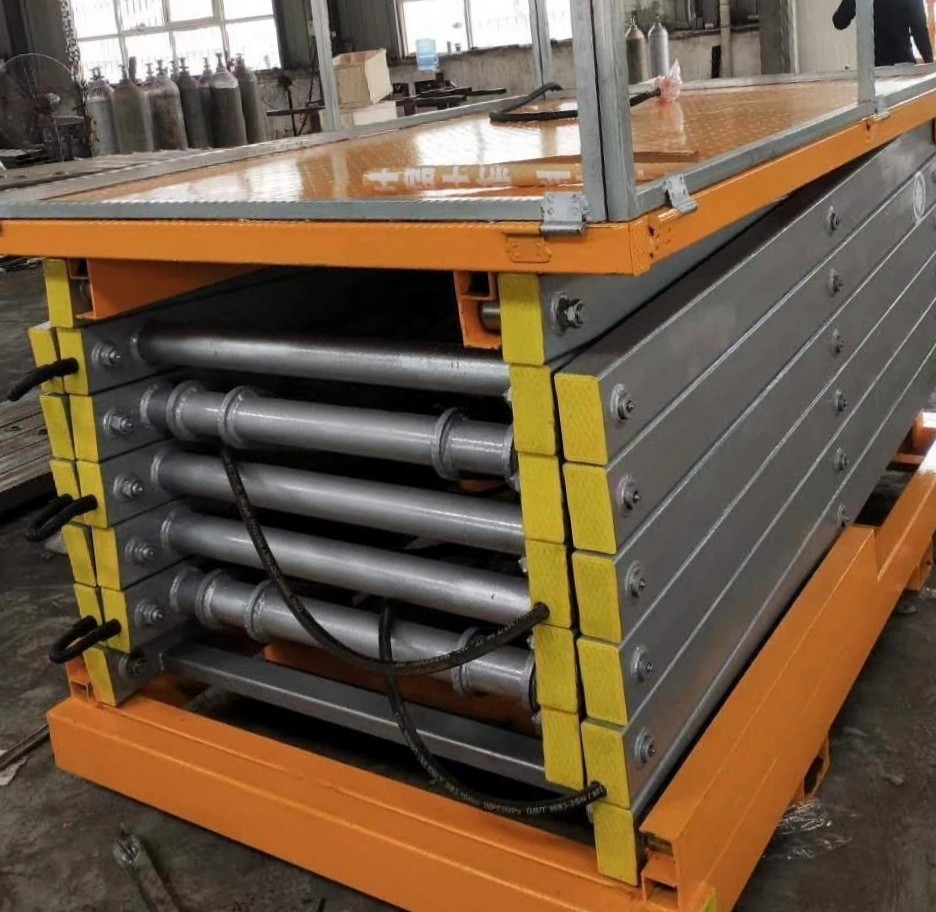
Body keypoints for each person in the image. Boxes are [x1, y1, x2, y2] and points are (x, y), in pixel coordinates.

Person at [833, 0, 934, 65]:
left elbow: (839, 22)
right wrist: (929, 62)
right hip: (902, 62)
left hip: (873, 67)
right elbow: (919, 30)